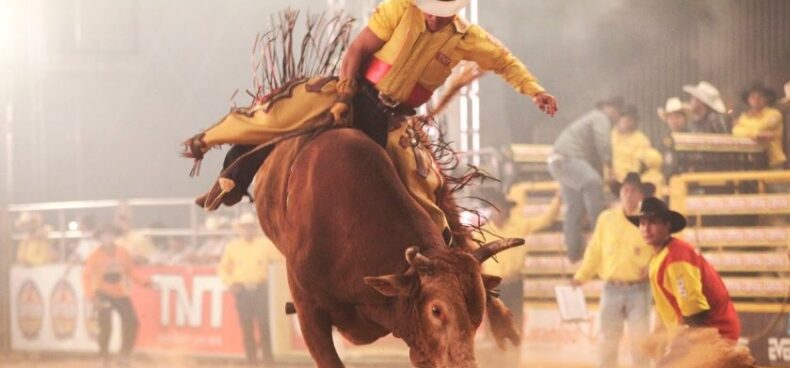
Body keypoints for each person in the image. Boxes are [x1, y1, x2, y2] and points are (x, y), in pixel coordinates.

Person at [185, 0, 557, 244]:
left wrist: (534, 90)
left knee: (420, 187)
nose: (432, 14)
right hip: (355, 93)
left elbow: (505, 61)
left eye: (440, 10)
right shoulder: (399, 7)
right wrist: (345, 91)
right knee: (278, 115)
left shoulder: (468, 39)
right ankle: (231, 176)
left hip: (393, 118)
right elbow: (358, 50)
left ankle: (441, 250)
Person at [627, 198, 788, 368]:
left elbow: (694, 307)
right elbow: (673, 305)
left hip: (707, 328)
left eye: (653, 222)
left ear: (667, 225)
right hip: (707, 325)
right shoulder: (665, 255)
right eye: (642, 222)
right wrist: (663, 336)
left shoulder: (675, 257)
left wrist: (687, 345)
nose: (646, 228)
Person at [572, 173, 655, 368]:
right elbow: (595, 251)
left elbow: (662, 249)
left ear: (641, 195)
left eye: (634, 191)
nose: (629, 194)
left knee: (640, 347)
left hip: (639, 290)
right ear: (620, 193)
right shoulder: (606, 219)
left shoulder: (650, 220)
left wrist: (652, 267)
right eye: (626, 190)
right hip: (612, 289)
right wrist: (582, 276)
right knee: (607, 346)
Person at [547, 96, 622, 262]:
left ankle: (573, 253)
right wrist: (609, 165)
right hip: (568, 160)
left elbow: (592, 156)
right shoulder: (600, 117)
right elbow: (603, 143)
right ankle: (600, 235)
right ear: (613, 109)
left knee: (575, 207)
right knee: (594, 183)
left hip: (559, 162)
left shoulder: (589, 121)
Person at [481, 185, 561, 334]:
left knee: (515, 324)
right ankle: (493, 356)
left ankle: (513, 356)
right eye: (496, 208)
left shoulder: (519, 226)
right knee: (493, 326)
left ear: (507, 210)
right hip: (492, 286)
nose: (499, 211)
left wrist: (557, 200)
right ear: (491, 210)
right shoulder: (482, 232)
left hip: (513, 283)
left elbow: (545, 220)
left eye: (502, 208)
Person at [82, 224, 152, 367]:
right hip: (102, 293)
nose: (108, 238)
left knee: (132, 322)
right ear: (100, 238)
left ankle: (124, 355)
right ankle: (104, 358)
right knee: (105, 326)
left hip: (119, 293)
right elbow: (86, 277)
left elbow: (130, 271)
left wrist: (145, 282)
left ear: (115, 237)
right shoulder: (94, 256)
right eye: (104, 235)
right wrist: (92, 296)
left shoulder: (123, 252)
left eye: (111, 235)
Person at [218, 212, 283, 365]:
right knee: (246, 326)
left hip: (261, 289)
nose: (248, 230)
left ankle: (268, 360)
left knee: (264, 324)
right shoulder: (233, 247)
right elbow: (223, 268)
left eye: (250, 227)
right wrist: (230, 282)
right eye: (245, 227)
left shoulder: (266, 245)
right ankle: (251, 361)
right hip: (242, 291)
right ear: (240, 229)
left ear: (255, 228)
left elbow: (279, 261)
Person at [732, 82, 786, 169]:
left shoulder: (775, 114)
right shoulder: (744, 115)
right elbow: (735, 131)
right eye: (753, 97)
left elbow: (760, 127)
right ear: (748, 100)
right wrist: (756, 135)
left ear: (767, 99)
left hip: (772, 162)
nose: (756, 100)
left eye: (760, 96)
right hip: (751, 162)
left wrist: (743, 126)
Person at [611, 106, 652, 182]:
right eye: (624, 117)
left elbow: (639, 166)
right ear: (619, 119)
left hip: (628, 183)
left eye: (630, 119)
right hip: (608, 181)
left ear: (635, 122)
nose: (626, 121)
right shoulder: (610, 135)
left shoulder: (642, 140)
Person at [657, 97, 689, 180]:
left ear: (684, 119)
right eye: (671, 118)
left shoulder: (692, 137)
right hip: (669, 180)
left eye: (677, 117)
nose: (674, 121)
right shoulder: (664, 140)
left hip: (688, 179)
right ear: (667, 120)